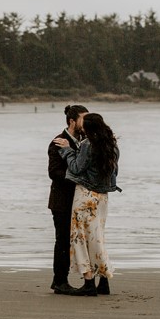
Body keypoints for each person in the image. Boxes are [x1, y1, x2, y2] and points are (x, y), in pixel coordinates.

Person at [53, 112, 121, 297]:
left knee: (80, 239)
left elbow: (76, 167)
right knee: (97, 237)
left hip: (85, 196)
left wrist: (67, 150)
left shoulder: (88, 145)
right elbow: (113, 172)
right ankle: (104, 280)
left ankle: (89, 281)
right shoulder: (112, 145)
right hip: (102, 198)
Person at [47, 104, 88, 294]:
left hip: (81, 200)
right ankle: (60, 281)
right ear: (72, 121)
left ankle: (89, 278)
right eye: (83, 118)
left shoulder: (85, 141)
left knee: (82, 240)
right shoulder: (58, 141)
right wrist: (78, 177)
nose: (85, 122)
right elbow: (54, 172)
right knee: (63, 241)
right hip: (62, 200)